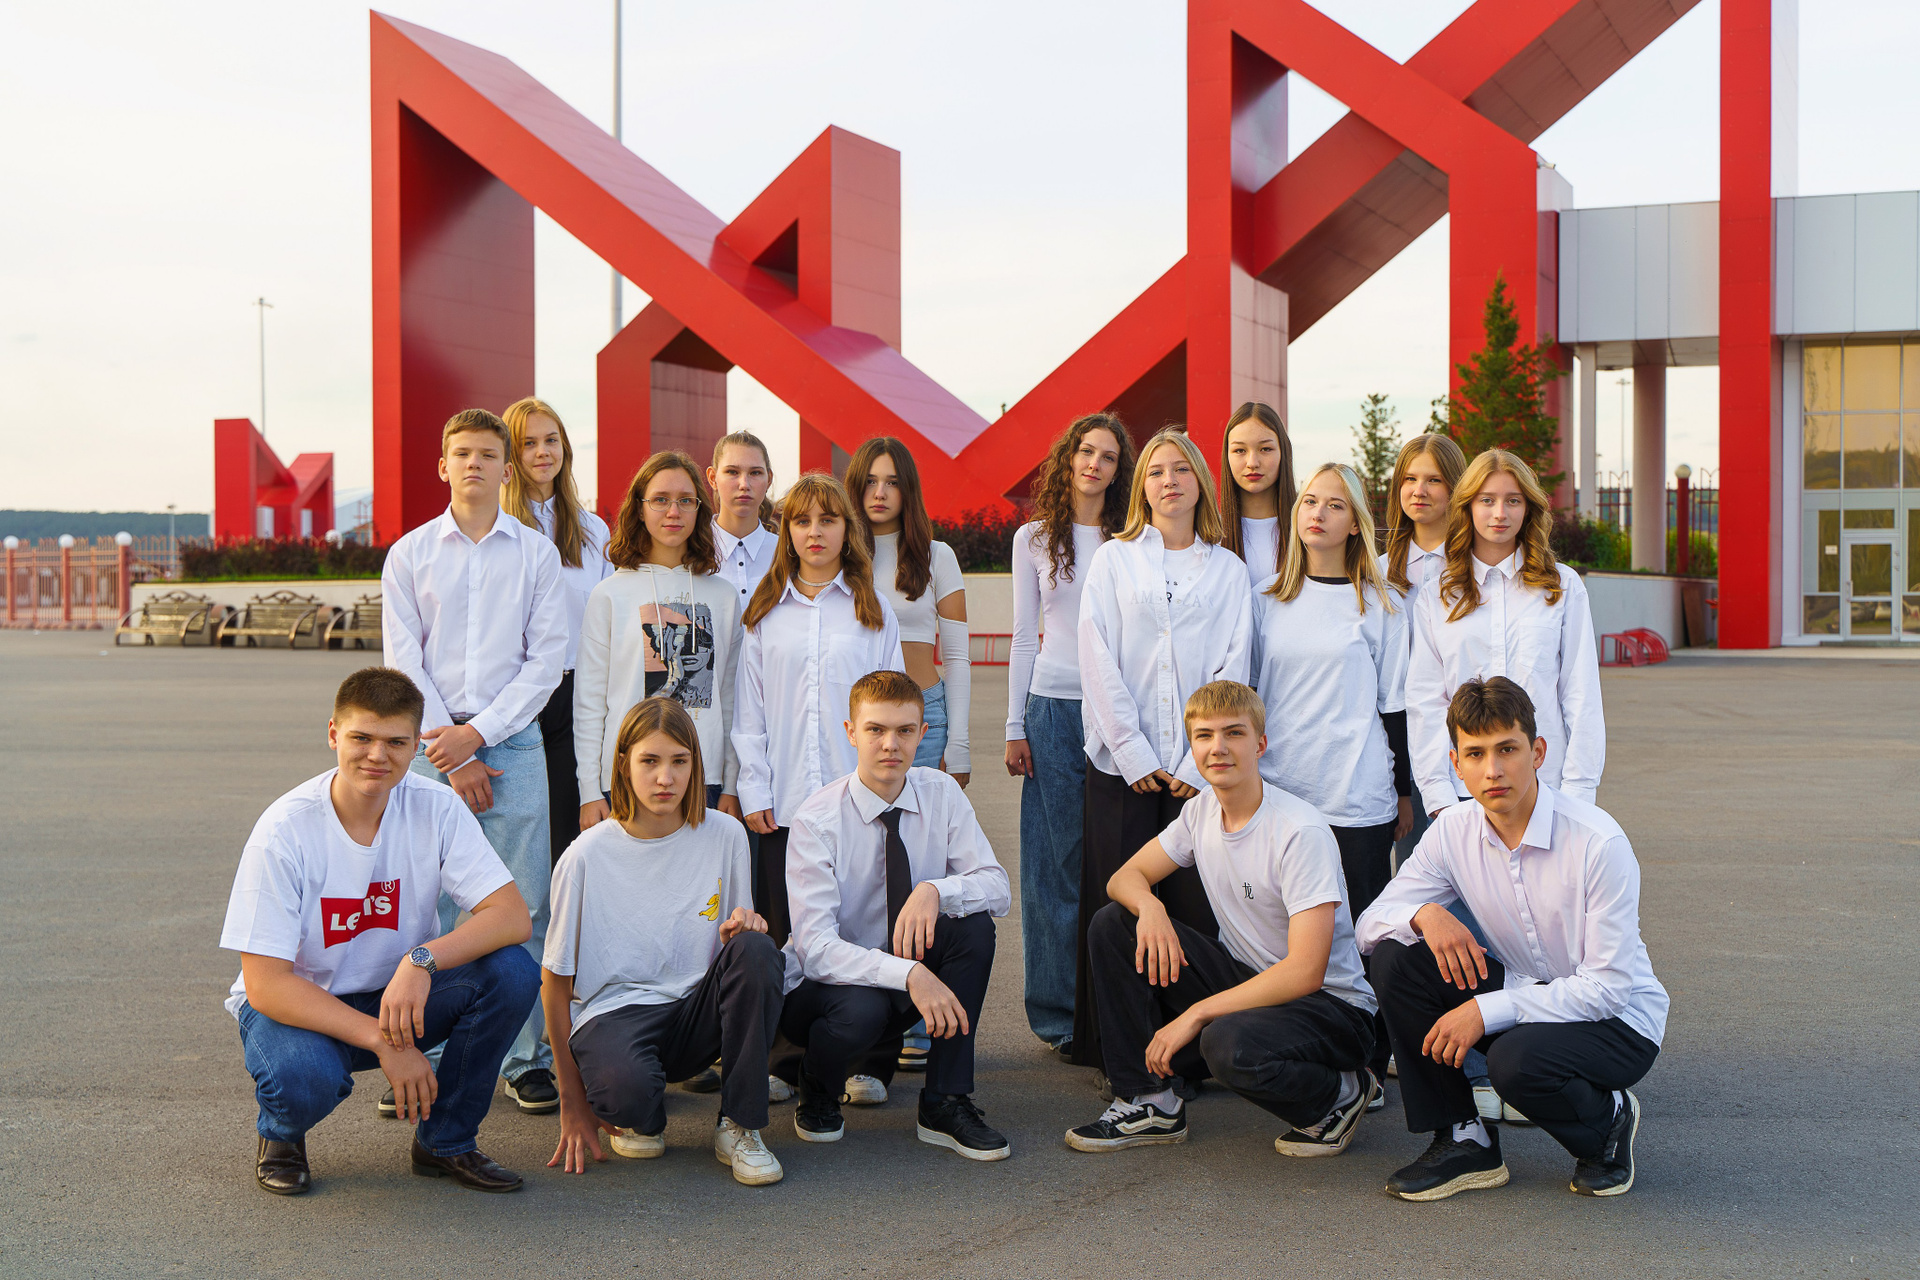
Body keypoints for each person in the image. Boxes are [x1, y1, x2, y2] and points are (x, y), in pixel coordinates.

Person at [221, 668, 540, 1195]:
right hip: (303, 1008)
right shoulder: (284, 830)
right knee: (304, 1078)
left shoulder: (435, 806)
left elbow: (510, 916)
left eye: (395, 742)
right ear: (333, 734)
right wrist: (383, 1044)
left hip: (398, 999)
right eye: (361, 738)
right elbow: (266, 985)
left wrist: (420, 961)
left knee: (513, 972)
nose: (377, 755)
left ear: (417, 746)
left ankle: (446, 1142)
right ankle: (282, 1134)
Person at [1356, 677, 1666, 1201]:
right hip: (1524, 989)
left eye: (1507, 749)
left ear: (1537, 752)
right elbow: (1370, 925)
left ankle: (1608, 1124)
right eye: (1475, 754)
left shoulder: (1597, 842)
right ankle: (1464, 1139)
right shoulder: (1452, 831)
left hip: (1618, 1021)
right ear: (1456, 764)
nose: (1492, 770)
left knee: (1515, 1064)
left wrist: (1486, 1010)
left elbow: (1607, 989)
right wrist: (1425, 915)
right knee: (1395, 957)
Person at [1066, 680, 1378, 1157]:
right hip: (1250, 981)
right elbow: (1124, 878)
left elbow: (1306, 971)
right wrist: (1151, 908)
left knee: (1226, 1044)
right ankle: (1149, 1101)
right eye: (1204, 736)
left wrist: (1196, 1013)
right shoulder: (1200, 812)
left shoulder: (1299, 831)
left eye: (1234, 733)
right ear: (1192, 748)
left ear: (1260, 744)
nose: (1218, 748)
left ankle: (1341, 1094)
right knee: (1114, 925)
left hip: (1331, 1008)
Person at [381, 407, 567, 1116]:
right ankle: (422, 1056)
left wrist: (481, 734)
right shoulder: (409, 555)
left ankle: (523, 1059)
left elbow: (546, 661)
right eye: (461, 453)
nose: (474, 464)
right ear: (443, 465)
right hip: (429, 745)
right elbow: (404, 658)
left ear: (506, 468)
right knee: (428, 904)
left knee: (524, 902)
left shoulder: (536, 554)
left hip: (512, 741)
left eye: (487, 454)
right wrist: (450, 748)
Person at [542, 698, 791, 1186]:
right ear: (623, 764)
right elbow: (554, 983)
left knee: (758, 951)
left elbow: (739, 947)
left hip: (695, 1013)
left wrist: (742, 929)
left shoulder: (725, 834)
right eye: (650, 761)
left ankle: (740, 1125)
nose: (665, 778)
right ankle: (643, 1113)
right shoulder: (585, 855)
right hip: (616, 1013)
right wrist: (571, 1100)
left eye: (679, 761)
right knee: (626, 1094)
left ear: (695, 766)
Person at [1072, 426, 1251, 1071]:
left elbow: (1234, 665)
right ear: (1141, 487)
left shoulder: (1228, 571)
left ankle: (1189, 1054)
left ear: (1201, 481)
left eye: (1181, 469)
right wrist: (1135, 752)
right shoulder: (1113, 560)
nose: (1168, 481)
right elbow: (1095, 656)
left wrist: (1191, 760)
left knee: (1192, 911)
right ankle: (1116, 1052)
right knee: (1118, 908)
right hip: (1121, 768)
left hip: (1198, 774)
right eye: (1155, 470)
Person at [779, 670, 1013, 1160]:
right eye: (876, 730)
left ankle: (944, 1100)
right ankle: (817, 1085)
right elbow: (816, 950)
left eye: (905, 730)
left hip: (900, 977)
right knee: (860, 1011)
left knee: (973, 927)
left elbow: (997, 888)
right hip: (826, 991)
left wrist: (935, 889)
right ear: (851, 732)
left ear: (922, 733)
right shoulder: (816, 820)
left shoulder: (941, 793)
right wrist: (909, 974)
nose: (891, 744)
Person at [1249, 462, 1410, 1090]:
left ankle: (1368, 1061)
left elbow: (1395, 707)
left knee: (1362, 935)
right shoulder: (1266, 599)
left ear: (1356, 522)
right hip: (1282, 794)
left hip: (1355, 794)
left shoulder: (1383, 604)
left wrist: (1403, 792)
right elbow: (1248, 695)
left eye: (1335, 505)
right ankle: (1299, 1052)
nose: (1318, 513)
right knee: (1288, 936)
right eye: (1310, 501)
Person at [1005, 413, 1134, 1057]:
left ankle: (1107, 1007)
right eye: (1086, 451)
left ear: (1119, 471)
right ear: (1068, 458)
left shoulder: (1131, 538)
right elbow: (1024, 635)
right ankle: (1058, 1014)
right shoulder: (1033, 538)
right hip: (1052, 710)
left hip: (1117, 712)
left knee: (1114, 861)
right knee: (1054, 864)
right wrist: (1014, 724)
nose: (1095, 464)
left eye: (1108, 456)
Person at [733, 473, 904, 947]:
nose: (815, 532)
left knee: (856, 937)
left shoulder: (873, 611)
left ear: (847, 530)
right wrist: (754, 789)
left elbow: (893, 710)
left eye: (827, 520)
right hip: (782, 806)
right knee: (786, 939)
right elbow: (750, 714)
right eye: (802, 521)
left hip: (857, 803)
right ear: (786, 531)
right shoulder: (764, 612)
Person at [845, 436, 971, 1076]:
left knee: (920, 865)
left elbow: (959, 653)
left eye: (892, 481)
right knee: (864, 869)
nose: (880, 492)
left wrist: (962, 740)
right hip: (864, 727)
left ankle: (920, 1020)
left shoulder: (936, 556)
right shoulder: (843, 553)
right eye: (870, 480)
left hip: (927, 718)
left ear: (909, 490)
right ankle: (866, 1013)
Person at [1406, 449, 1604, 824]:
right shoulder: (1437, 595)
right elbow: (1426, 702)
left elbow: (1581, 695)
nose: (1500, 513)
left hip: (1546, 786)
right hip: (1463, 792)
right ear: (1467, 506)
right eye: (1487, 500)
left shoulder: (1561, 587)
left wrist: (1579, 793)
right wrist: (1438, 795)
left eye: (1513, 500)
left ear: (1528, 508)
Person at [575, 451, 742, 827]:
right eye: (660, 500)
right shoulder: (609, 594)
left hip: (704, 779)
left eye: (686, 500)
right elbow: (589, 704)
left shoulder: (724, 596)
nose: (674, 511)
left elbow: (732, 699)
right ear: (639, 508)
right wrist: (589, 791)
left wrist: (732, 783)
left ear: (699, 509)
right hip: (627, 777)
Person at [501, 397, 613, 870]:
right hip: (516, 694)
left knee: (571, 828)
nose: (542, 452)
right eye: (528, 443)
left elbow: (607, 617)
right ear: (511, 454)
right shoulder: (498, 530)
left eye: (551, 440)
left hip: (576, 692)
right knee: (519, 830)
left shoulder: (593, 531)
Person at [1379, 433, 1467, 867]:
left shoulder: (1474, 570)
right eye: (1410, 479)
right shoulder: (1376, 573)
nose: (1419, 490)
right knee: (1417, 874)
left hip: (1463, 740)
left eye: (1434, 480)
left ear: (1455, 488)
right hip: (1399, 746)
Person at [1216, 401, 1297, 592]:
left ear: (1283, 452)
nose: (1252, 462)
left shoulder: (1306, 530)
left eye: (1265, 449)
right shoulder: (1209, 535)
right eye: (1240, 450)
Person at [707, 430, 780, 614]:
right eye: (732, 472)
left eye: (755, 473)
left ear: (769, 479)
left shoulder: (786, 554)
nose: (744, 484)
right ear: (713, 478)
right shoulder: (691, 548)